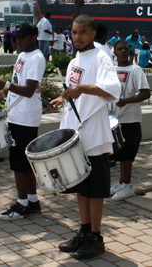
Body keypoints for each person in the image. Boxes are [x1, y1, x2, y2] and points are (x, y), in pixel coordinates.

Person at [49, 14, 121, 260]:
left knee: (95, 189)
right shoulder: (74, 61)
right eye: (73, 32)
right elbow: (73, 89)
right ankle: (84, 231)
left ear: (92, 33)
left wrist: (81, 89)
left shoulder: (101, 56)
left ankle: (96, 237)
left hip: (94, 133)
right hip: (75, 132)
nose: (77, 36)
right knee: (81, 186)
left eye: (82, 32)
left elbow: (113, 89)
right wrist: (64, 97)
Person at [0, 23, 46, 220]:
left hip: (26, 117)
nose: (17, 40)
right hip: (16, 113)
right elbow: (17, 82)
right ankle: (32, 200)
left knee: (20, 163)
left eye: (22, 37)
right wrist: (3, 92)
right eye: (16, 37)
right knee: (24, 162)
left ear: (34, 37)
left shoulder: (37, 58)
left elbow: (29, 90)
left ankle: (22, 205)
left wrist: (5, 84)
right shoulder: (22, 55)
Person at [110, 40, 150, 201]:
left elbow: (146, 93)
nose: (123, 51)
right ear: (114, 53)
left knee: (127, 154)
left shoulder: (136, 69)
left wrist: (126, 101)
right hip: (114, 119)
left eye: (126, 49)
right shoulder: (111, 70)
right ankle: (121, 183)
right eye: (120, 49)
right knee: (119, 153)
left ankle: (127, 186)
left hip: (130, 119)